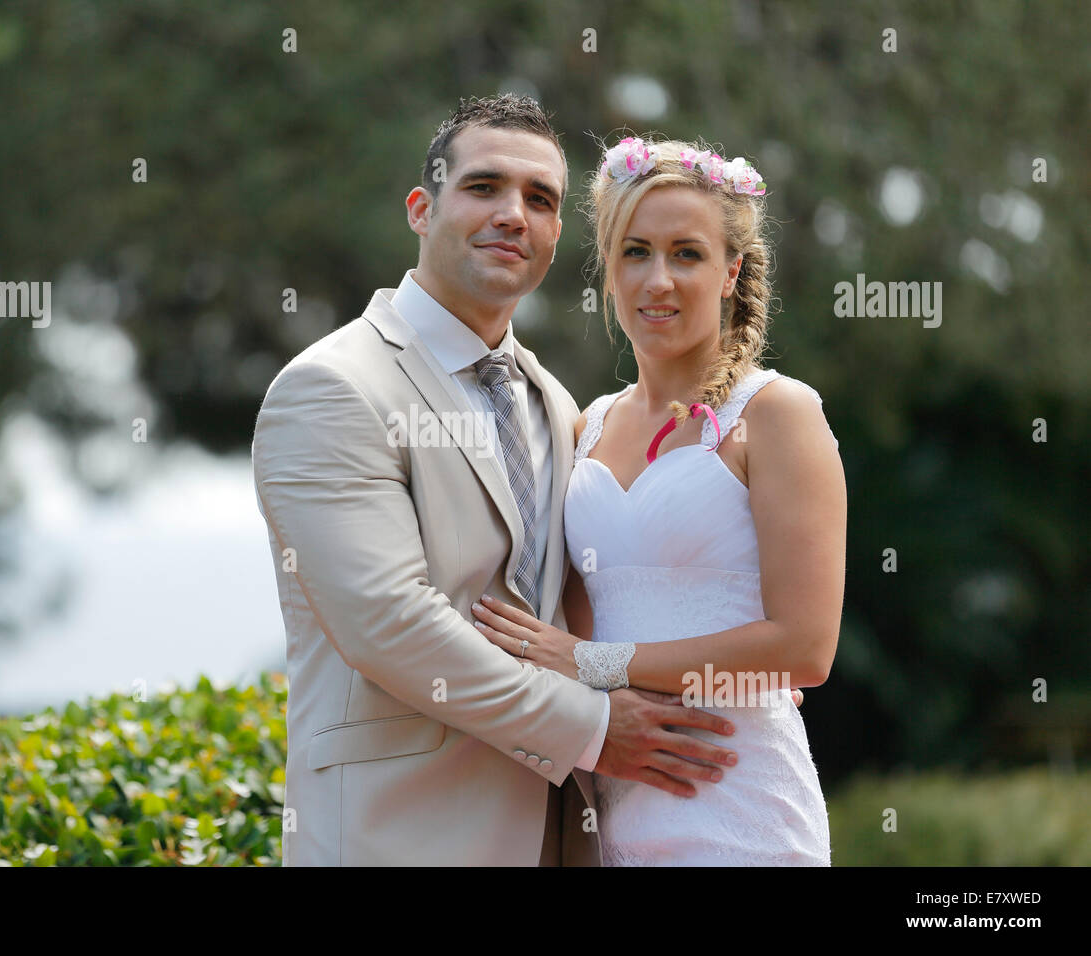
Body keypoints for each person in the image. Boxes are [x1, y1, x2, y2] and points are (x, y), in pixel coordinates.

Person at [251, 97, 784, 866]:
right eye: (483, 188)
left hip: (571, 835)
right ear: (420, 209)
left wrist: (724, 682)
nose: (513, 214)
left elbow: (590, 609)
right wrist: (599, 730)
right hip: (398, 837)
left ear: (557, 235)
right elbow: (390, 623)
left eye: (539, 200)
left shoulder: (559, 407)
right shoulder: (334, 388)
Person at [473, 136, 846, 864]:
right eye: (636, 252)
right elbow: (564, 627)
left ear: (731, 269)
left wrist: (595, 663)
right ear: (608, 269)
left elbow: (804, 650)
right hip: (616, 812)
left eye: (687, 254)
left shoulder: (776, 415)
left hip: (743, 808)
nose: (658, 280)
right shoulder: (587, 427)